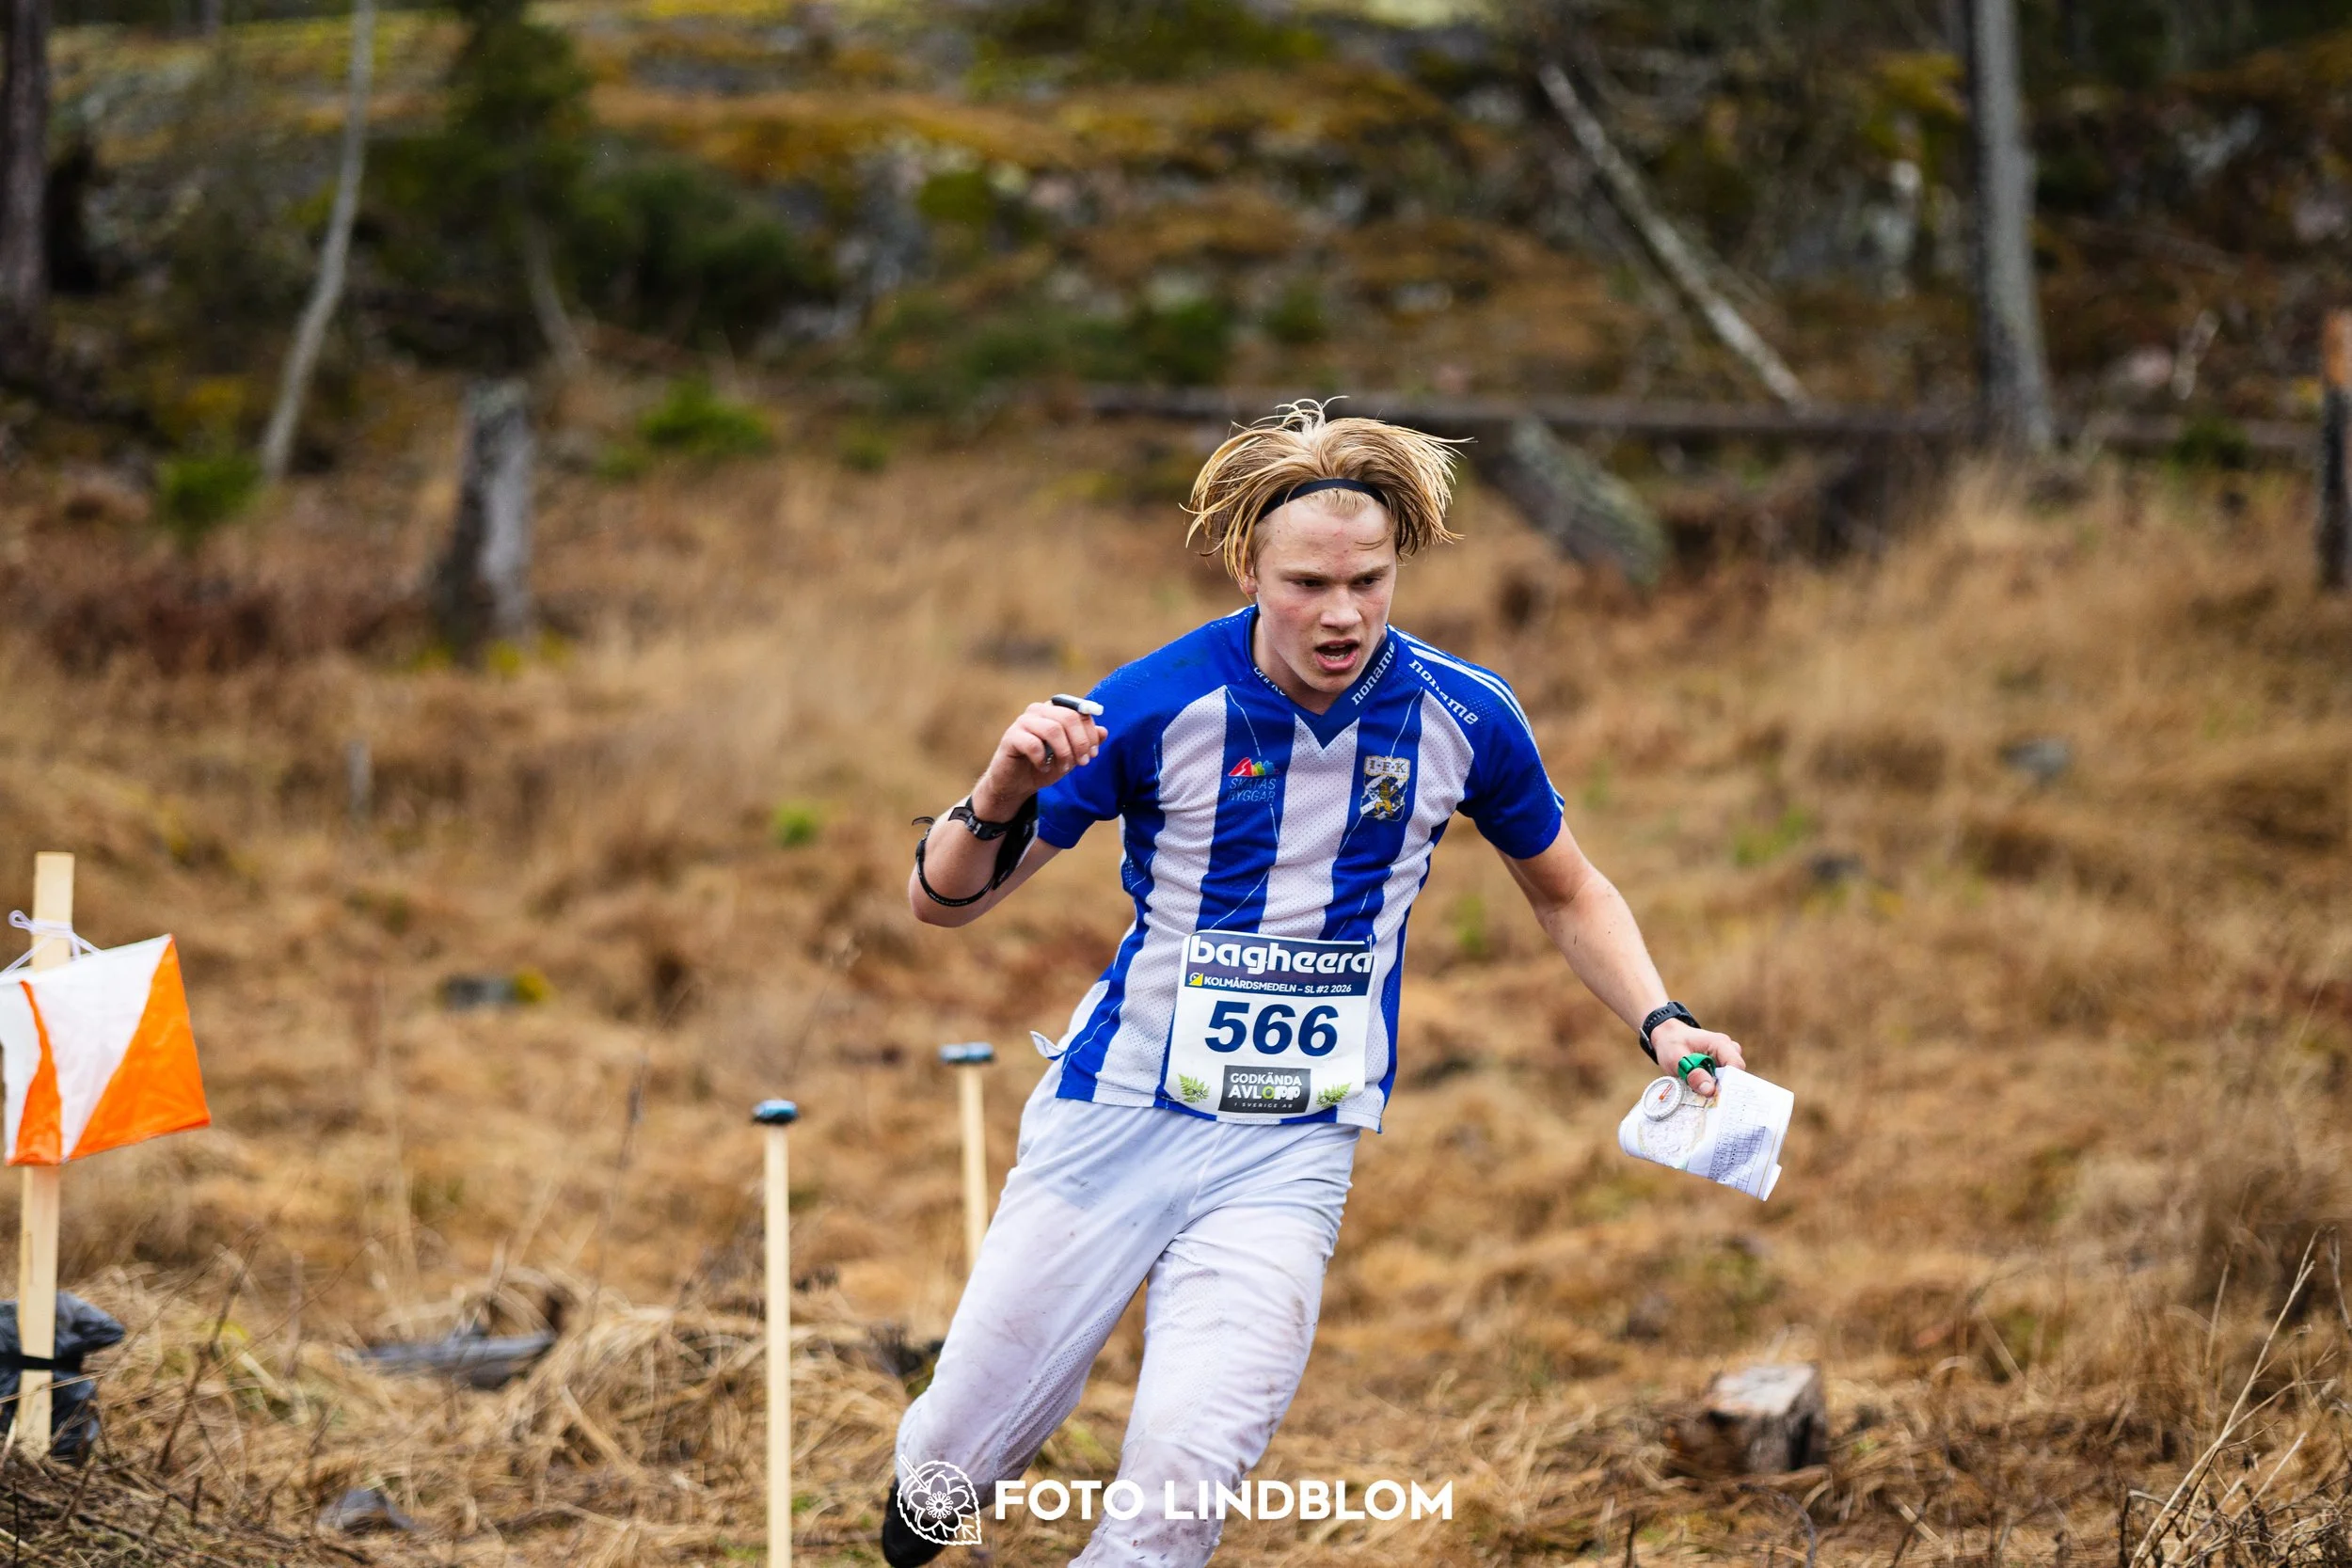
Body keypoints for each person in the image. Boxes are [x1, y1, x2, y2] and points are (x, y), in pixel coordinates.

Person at [883, 402, 1747, 1567]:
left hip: (1290, 1147)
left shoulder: (1463, 713)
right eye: (1305, 584)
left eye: (1369, 580)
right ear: (1249, 566)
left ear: (1400, 564)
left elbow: (1570, 892)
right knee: (957, 1451)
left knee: (1183, 1483)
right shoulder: (1149, 702)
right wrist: (995, 790)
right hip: (1115, 1115)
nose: (1340, 614)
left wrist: (1663, 1021)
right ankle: (924, 1500)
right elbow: (946, 902)